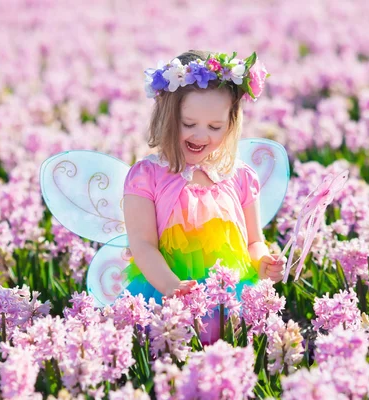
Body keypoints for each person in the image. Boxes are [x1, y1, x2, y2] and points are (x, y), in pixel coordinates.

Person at [122, 49, 285, 343]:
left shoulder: (240, 175)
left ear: (232, 123)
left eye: (215, 127)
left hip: (230, 297)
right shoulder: (147, 176)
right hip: (168, 297)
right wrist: (171, 287)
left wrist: (263, 263)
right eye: (188, 124)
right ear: (167, 116)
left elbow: (253, 241)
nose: (200, 136)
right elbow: (143, 244)